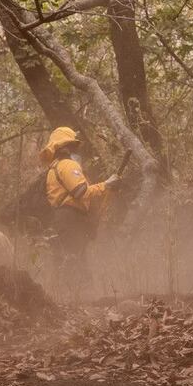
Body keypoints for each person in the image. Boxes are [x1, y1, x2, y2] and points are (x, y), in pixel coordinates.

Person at [39, 127, 118, 300]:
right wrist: (106, 185)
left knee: (70, 258)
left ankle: (68, 299)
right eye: (74, 146)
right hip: (70, 219)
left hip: (64, 219)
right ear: (66, 147)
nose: (77, 150)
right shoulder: (67, 165)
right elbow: (80, 192)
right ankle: (81, 301)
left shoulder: (54, 168)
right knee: (76, 260)